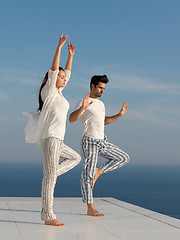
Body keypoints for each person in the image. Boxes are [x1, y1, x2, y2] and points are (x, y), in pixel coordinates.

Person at [23, 33, 81, 226]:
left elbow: (67, 74)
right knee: (50, 180)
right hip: (51, 138)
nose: (64, 79)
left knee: (74, 158)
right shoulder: (48, 92)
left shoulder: (59, 93)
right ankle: (48, 216)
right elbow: (54, 70)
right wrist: (59, 48)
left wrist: (71, 56)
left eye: (64, 78)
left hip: (58, 140)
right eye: (61, 77)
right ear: (53, 78)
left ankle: (52, 172)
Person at [69, 75, 130, 217]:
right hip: (89, 141)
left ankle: (99, 171)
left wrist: (119, 115)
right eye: (100, 88)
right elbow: (71, 119)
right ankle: (90, 207)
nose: (102, 90)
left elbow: (104, 121)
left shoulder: (101, 104)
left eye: (104, 88)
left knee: (123, 158)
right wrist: (82, 108)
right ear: (92, 86)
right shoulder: (83, 101)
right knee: (87, 175)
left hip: (102, 141)